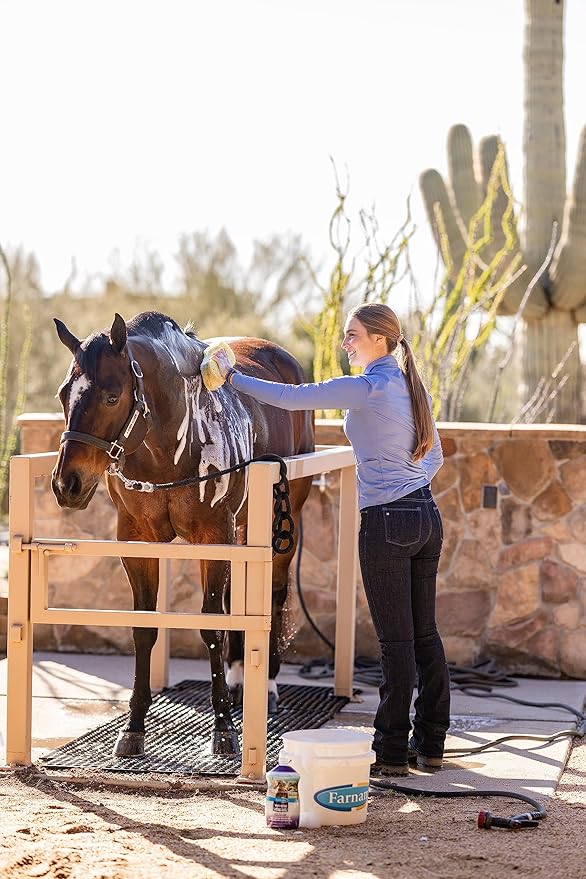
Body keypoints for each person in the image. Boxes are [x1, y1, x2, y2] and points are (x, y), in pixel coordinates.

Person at [212, 302, 450, 777]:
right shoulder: (407, 385)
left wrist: (231, 378)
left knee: (396, 642)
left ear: (380, 341)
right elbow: (436, 455)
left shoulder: (369, 386)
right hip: (426, 515)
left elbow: (292, 397)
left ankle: (391, 752)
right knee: (424, 633)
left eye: (353, 335)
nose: (346, 343)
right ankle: (432, 744)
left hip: (387, 522)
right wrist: (407, 480)